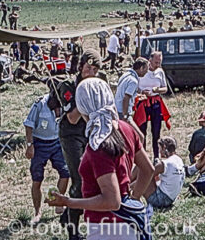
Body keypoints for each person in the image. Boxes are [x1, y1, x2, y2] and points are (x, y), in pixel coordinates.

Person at [46, 78, 154, 240]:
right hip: (129, 223)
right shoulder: (126, 129)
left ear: (82, 107)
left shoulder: (98, 145)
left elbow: (111, 201)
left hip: (106, 229)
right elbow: (148, 169)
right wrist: (133, 199)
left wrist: (68, 202)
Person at [45, 50, 103, 240]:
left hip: (90, 132)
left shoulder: (96, 84)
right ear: (80, 67)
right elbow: (71, 117)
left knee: (95, 177)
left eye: (95, 70)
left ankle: (68, 215)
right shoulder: (69, 86)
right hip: (71, 134)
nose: (91, 73)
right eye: (88, 68)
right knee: (79, 179)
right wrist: (85, 97)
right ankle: (73, 231)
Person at [23, 93, 70, 224]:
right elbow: (28, 124)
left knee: (65, 173)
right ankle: (37, 212)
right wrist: (29, 145)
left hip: (57, 142)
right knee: (37, 179)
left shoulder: (65, 103)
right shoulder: (39, 104)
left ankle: (59, 203)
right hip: (39, 144)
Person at [134, 51, 170, 158]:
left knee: (156, 130)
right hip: (143, 102)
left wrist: (158, 90)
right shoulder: (142, 72)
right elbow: (135, 87)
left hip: (155, 102)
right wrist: (141, 92)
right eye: (156, 62)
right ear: (150, 61)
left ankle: (156, 156)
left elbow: (165, 88)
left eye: (159, 62)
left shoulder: (160, 72)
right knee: (142, 130)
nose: (158, 65)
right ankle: (143, 155)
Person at [140, 136, 184, 210]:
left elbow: (146, 175)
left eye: (160, 148)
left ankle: (130, 193)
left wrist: (132, 186)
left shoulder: (165, 164)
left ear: (164, 147)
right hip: (170, 199)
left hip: (160, 200)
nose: (159, 151)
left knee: (141, 168)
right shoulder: (178, 160)